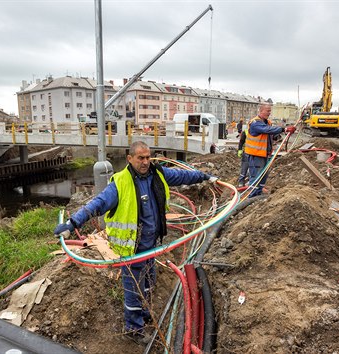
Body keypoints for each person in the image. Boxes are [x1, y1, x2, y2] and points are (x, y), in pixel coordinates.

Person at [53, 141, 218, 346]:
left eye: (148, 157)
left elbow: (182, 176)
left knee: (149, 282)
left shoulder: (157, 174)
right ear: (130, 159)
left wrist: (204, 176)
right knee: (133, 289)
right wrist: (72, 223)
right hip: (130, 249)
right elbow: (97, 204)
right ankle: (134, 328)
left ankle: (145, 312)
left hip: (151, 245)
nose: (146, 161)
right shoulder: (120, 183)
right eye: (141, 158)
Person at [244, 103, 295, 197]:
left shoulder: (267, 123)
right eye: (267, 111)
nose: (269, 113)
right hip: (256, 154)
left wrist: (279, 135)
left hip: (265, 154)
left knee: (264, 175)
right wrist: (284, 129)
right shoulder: (255, 123)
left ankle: (259, 193)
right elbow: (266, 130)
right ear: (261, 110)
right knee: (256, 176)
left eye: (270, 111)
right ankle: (252, 196)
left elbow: (271, 134)